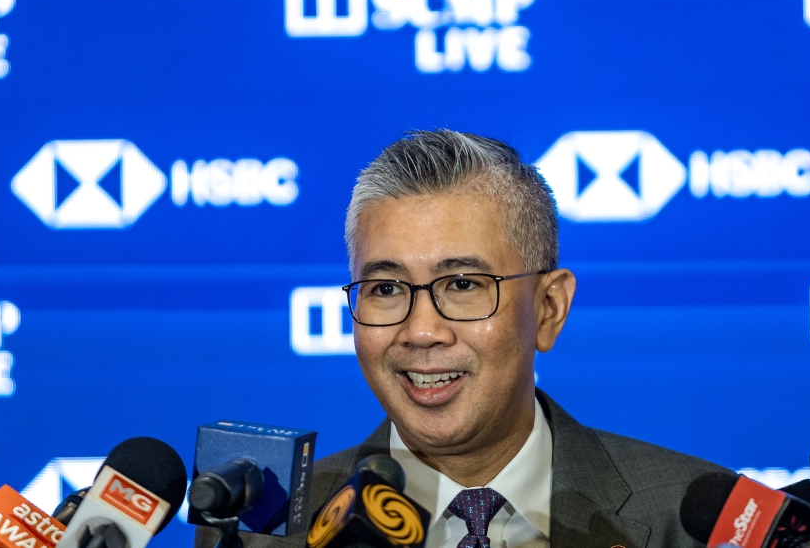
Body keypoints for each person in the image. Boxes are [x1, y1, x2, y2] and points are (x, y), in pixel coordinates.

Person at [195, 130, 724, 548]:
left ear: (549, 309)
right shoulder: (262, 532)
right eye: (385, 288)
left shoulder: (701, 523)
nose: (421, 331)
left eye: (464, 284)